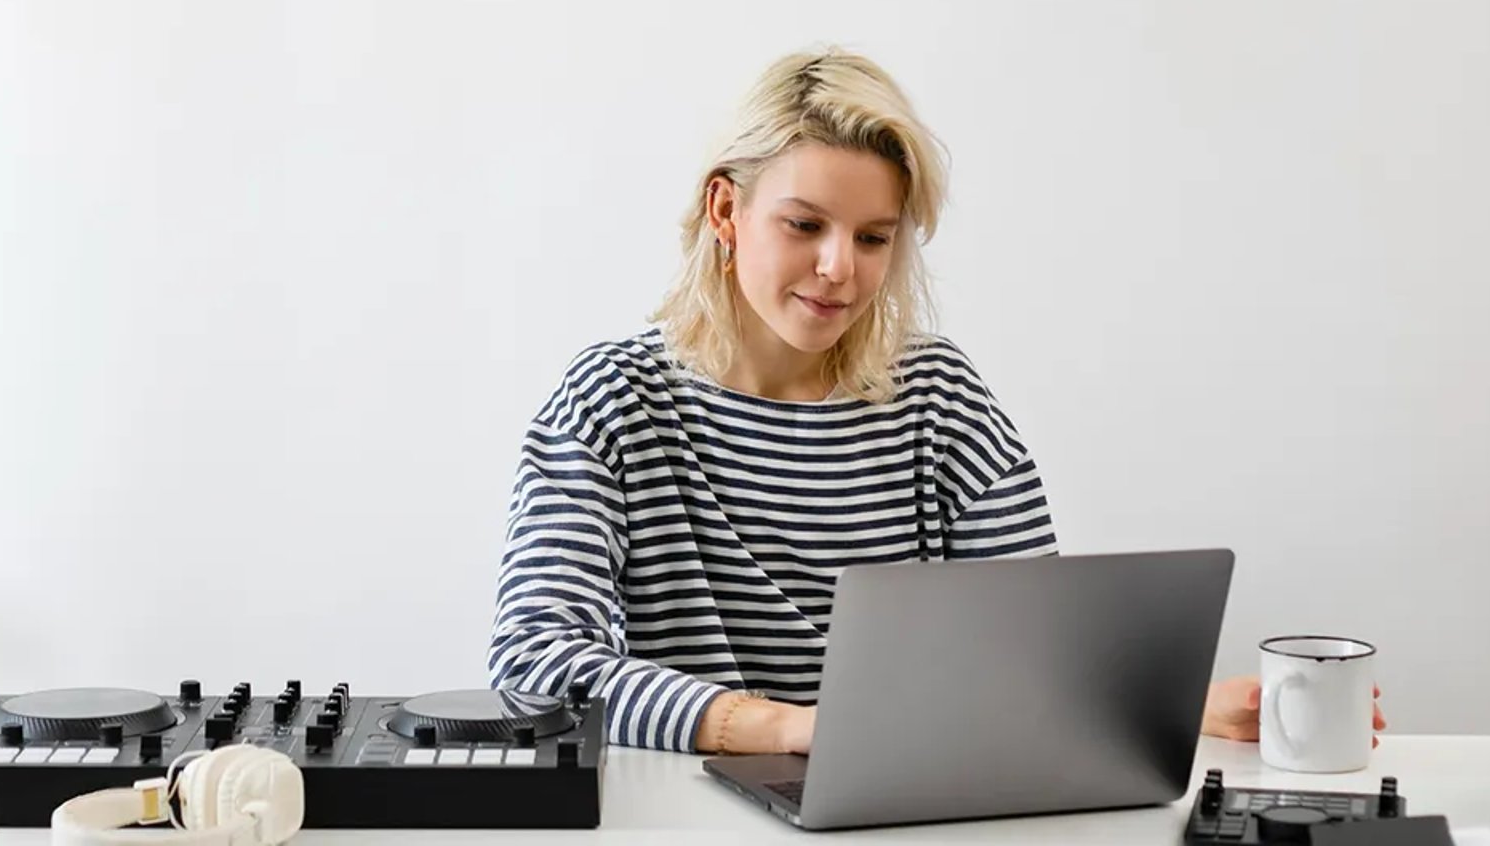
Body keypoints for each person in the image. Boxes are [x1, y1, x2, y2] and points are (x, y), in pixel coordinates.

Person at [487, 48, 1383, 754]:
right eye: (804, 225)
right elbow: (533, 662)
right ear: (726, 211)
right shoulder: (612, 398)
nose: (841, 268)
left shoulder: (938, 397)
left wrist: (1174, 708)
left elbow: (1032, 654)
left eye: (873, 237)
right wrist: (785, 726)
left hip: (910, 811)